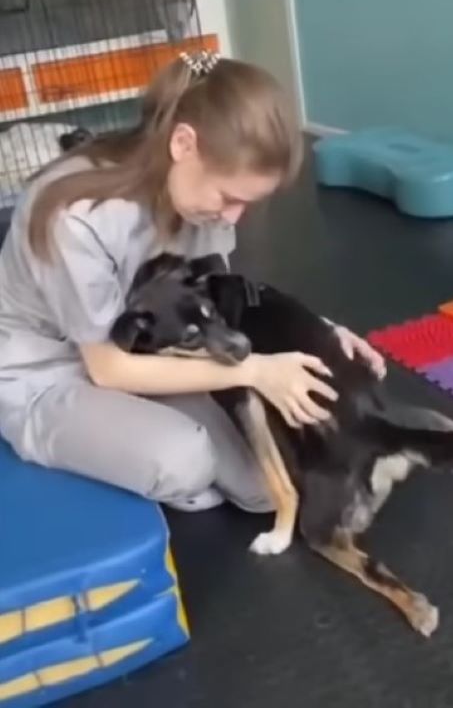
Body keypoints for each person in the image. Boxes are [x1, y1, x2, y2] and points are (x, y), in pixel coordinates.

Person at [0, 52, 385, 513]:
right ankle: (55, 434)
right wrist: (255, 370)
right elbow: (108, 369)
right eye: (229, 198)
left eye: (247, 204)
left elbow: (222, 297)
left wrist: (319, 331)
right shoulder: (77, 218)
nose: (234, 217)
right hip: (48, 373)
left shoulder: (197, 200)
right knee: (186, 463)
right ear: (183, 144)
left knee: (262, 493)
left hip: (146, 348)